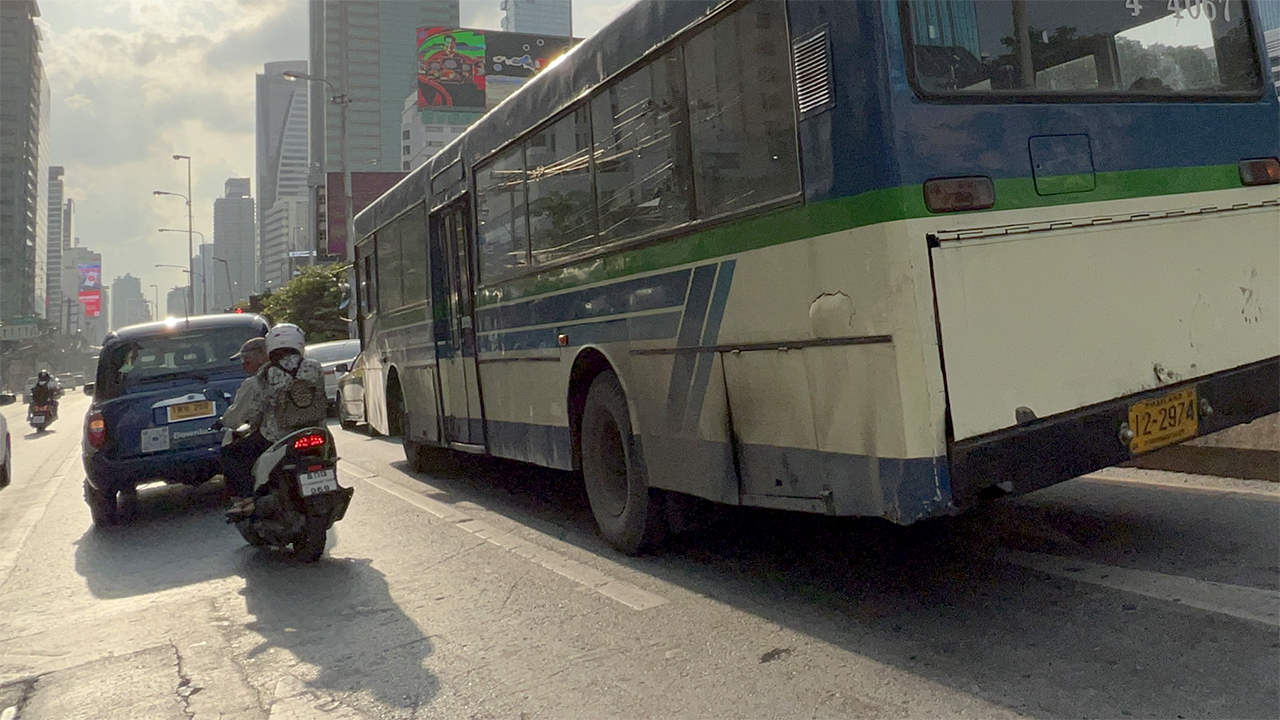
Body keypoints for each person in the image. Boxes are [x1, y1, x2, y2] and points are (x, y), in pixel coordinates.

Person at [228, 324, 327, 511]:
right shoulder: (314, 366)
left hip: (278, 436)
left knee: (235, 452)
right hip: (316, 429)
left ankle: (247, 499)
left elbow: (256, 408)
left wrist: (251, 424)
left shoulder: (266, 373)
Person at [217, 337, 269, 497]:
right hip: (309, 429)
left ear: (262, 356)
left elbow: (234, 418)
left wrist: (223, 421)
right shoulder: (302, 370)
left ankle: (244, 499)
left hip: (272, 435)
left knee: (231, 453)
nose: (243, 365)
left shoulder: (255, 382)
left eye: (246, 360)